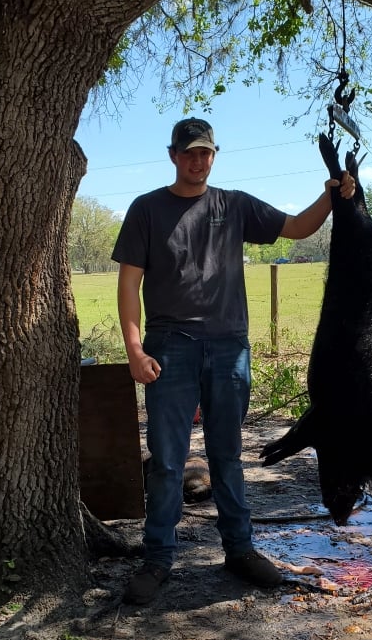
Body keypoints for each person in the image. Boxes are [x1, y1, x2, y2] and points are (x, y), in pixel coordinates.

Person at [112, 117, 355, 605]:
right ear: (172, 155)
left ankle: (240, 550)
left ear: (214, 154)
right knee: (166, 460)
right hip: (168, 346)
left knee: (226, 455)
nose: (197, 161)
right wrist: (135, 350)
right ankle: (158, 558)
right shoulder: (147, 210)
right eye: (188, 153)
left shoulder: (234, 205)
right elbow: (128, 285)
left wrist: (333, 194)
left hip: (228, 347)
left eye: (205, 153)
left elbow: (297, 227)